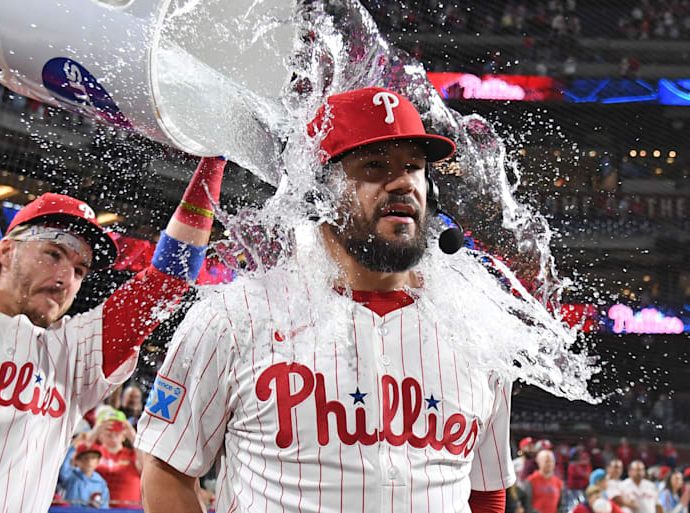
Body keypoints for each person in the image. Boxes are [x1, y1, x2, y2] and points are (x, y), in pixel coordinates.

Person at [0, 0, 226, 511]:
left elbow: (168, 281)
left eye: (81, 268)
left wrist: (213, 157)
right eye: (54, 253)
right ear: (6, 249)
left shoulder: (76, 354)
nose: (68, 276)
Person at [136, 87, 515, 512]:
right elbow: (166, 472)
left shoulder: (480, 328)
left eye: (413, 166)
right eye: (374, 166)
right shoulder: (234, 317)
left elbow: (486, 491)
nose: (404, 182)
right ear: (318, 194)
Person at [92, 409, 142, 508]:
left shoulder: (133, 454)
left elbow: (146, 469)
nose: (113, 434)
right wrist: (95, 432)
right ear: (99, 435)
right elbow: (75, 468)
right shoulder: (92, 453)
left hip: (131, 510)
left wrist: (133, 436)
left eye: (117, 429)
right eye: (108, 428)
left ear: (124, 435)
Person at [59, 440, 110, 508]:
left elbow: (104, 506)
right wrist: (73, 447)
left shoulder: (101, 482)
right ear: (77, 461)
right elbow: (64, 467)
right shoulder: (70, 476)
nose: (89, 462)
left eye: (93, 457)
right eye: (85, 458)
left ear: (98, 461)